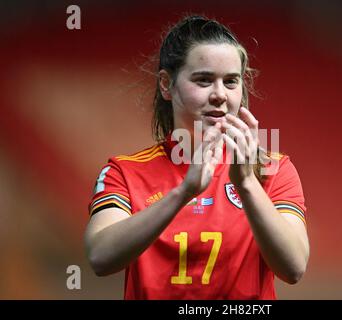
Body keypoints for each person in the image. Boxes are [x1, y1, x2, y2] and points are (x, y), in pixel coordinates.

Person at [85, 15, 309, 300]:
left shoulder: (274, 169)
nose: (219, 95)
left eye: (230, 81)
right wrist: (184, 191)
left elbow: (294, 268)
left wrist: (248, 184)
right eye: (203, 80)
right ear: (167, 85)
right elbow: (100, 257)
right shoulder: (124, 172)